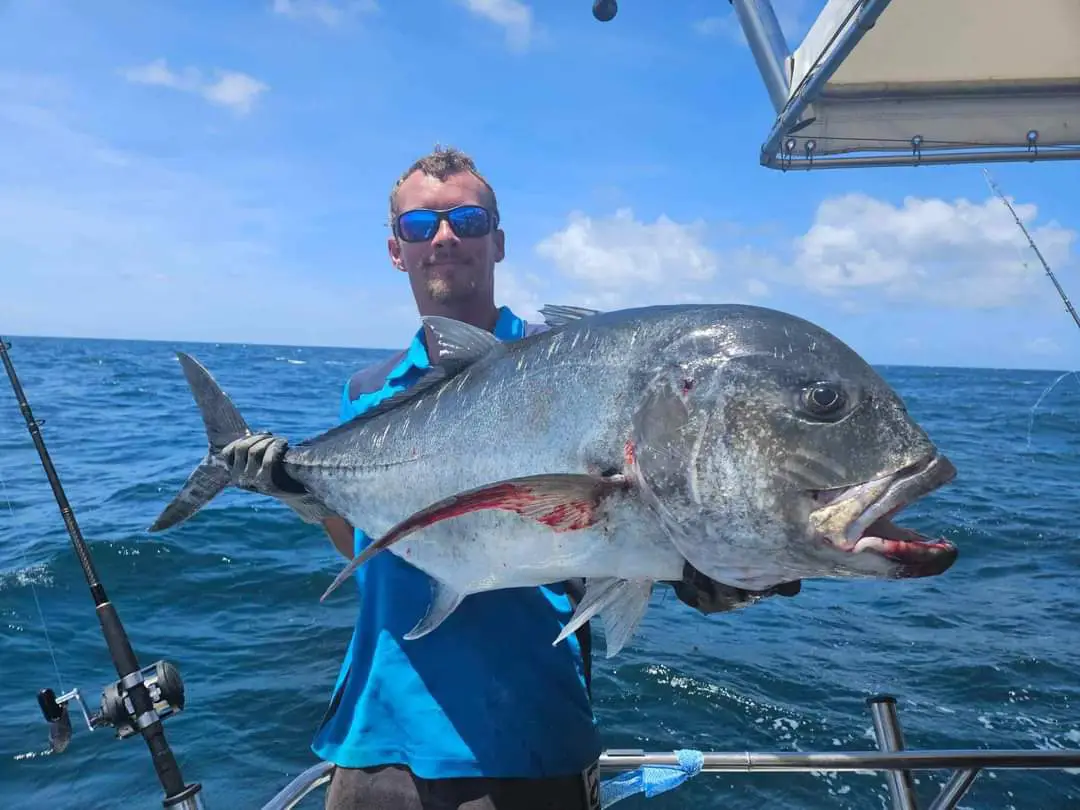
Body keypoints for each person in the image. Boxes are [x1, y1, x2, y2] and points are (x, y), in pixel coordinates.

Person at [220, 146, 802, 809]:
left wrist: (718, 571)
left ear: (497, 241)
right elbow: (366, 542)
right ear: (395, 250)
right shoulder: (369, 391)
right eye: (420, 226)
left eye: (467, 221)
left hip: (526, 738)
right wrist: (297, 492)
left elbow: (627, 523)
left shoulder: (576, 364)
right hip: (374, 737)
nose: (444, 238)